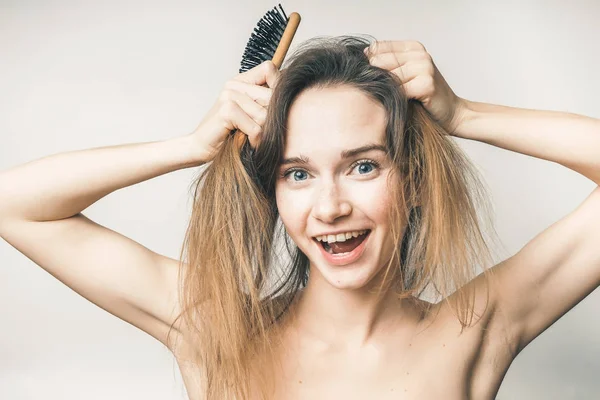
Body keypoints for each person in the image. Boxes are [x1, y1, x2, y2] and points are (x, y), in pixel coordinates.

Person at [1, 35, 599, 399]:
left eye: (363, 167)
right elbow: (15, 207)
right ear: (274, 193)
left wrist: (464, 114)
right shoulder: (216, 332)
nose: (331, 206)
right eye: (298, 173)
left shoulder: (472, 331)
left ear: (413, 181)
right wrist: (189, 147)